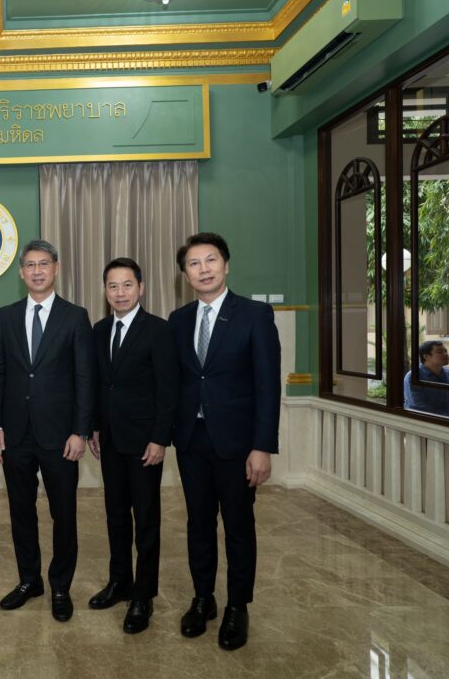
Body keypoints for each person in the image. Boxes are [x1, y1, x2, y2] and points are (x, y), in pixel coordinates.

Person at [168, 232, 280, 651]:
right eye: (194, 264)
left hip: (237, 444)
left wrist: (262, 446)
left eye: (211, 260)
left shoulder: (254, 315)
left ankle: (237, 606)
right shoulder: (178, 320)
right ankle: (203, 598)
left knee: (238, 527)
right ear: (185, 274)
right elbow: (177, 382)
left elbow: (268, 386)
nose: (204, 269)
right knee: (198, 524)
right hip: (191, 440)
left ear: (226, 265)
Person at [0, 239, 94, 622]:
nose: (37, 271)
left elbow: (84, 377)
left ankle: (61, 586)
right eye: (30, 265)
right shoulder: (6, 316)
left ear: (56, 268)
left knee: (63, 514)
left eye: (43, 264)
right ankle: (29, 580)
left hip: (60, 435)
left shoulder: (75, 316)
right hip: (15, 434)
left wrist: (80, 431)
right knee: (21, 512)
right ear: (21, 272)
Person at [88, 257, 179, 634]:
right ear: (105, 291)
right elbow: (98, 385)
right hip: (109, 439)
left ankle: (143, 595)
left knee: (146, 520)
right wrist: (94, 427)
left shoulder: (158, 330)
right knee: (115, 515)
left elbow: (168, 390)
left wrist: (160, 438)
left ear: (141, 288)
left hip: (145, 443)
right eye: (113, 286)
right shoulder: (98, 330)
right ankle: (120, 582)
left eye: (127, 285)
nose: (120, 292)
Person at [403, 340, 449, 417]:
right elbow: (418, 406)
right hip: (423, 421)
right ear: (426, 356)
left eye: (445, 351)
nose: (445, 354)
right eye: (440, 352)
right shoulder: (413, 376)